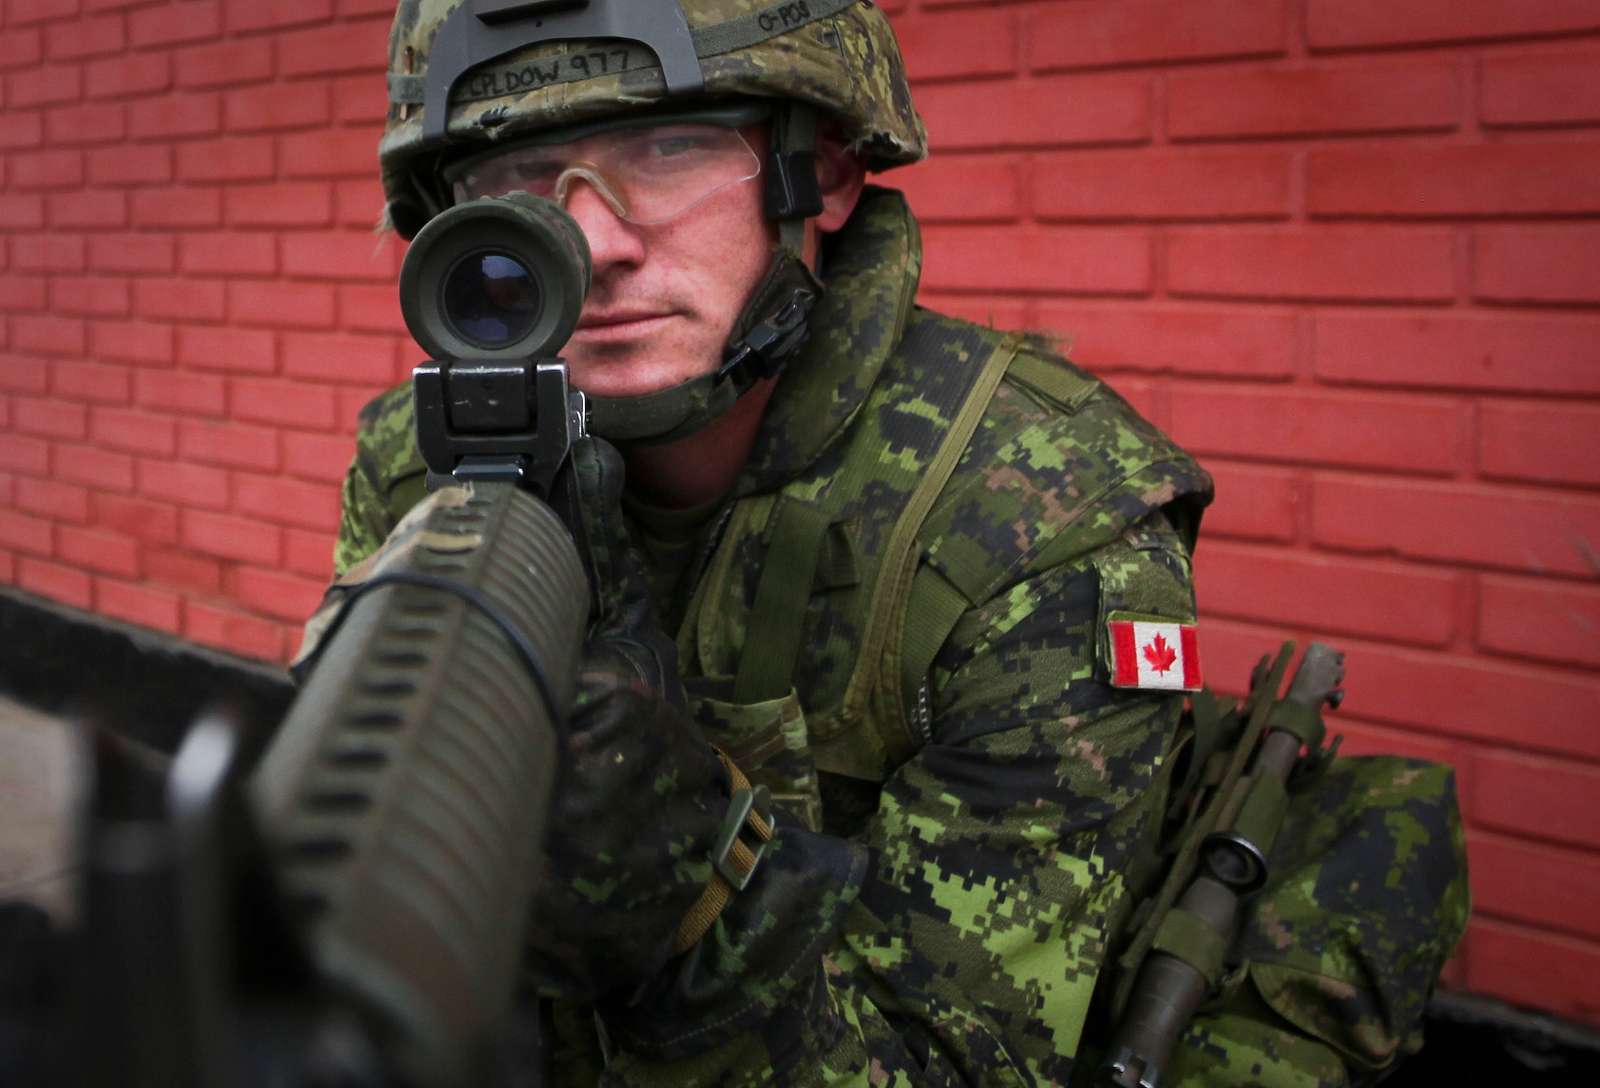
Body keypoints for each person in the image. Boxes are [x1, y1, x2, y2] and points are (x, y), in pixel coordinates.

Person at [329, 2, 1465, 1083]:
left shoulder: (1040, 516)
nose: (591, 240)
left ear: (818, 168)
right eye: (516, 176)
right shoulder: (420, 460)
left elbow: (957, 1061)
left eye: (668, 146)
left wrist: (682, 887)